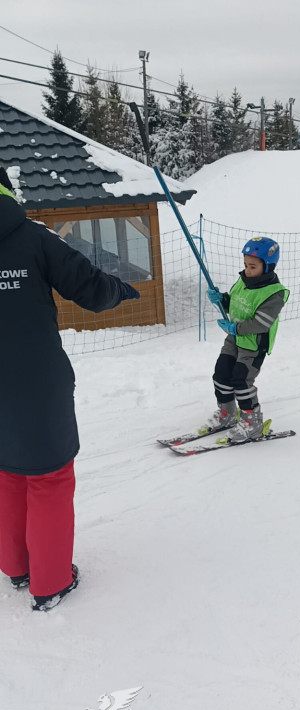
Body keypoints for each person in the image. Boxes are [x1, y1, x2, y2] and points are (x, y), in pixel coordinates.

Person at [0, 170, 140, 611]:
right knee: (48, 478)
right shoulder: (33, 238)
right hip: (36, 384)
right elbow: (93, 290)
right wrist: (121, 289)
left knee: (7, 475)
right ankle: (51, 582)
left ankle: (16, 568)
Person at [205, 237, 289, 443]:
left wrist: (236, 327)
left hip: (253, 344)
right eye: (245, 265)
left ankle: (253, 422)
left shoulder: (274, 294)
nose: (247, 270)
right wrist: (222, 299)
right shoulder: (243, 281)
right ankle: (228, 413)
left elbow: (262, 322)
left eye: (253, 266)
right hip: (234, 340)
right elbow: (235, 304)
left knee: (241, 381)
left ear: (268, 266)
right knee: (221, 374)